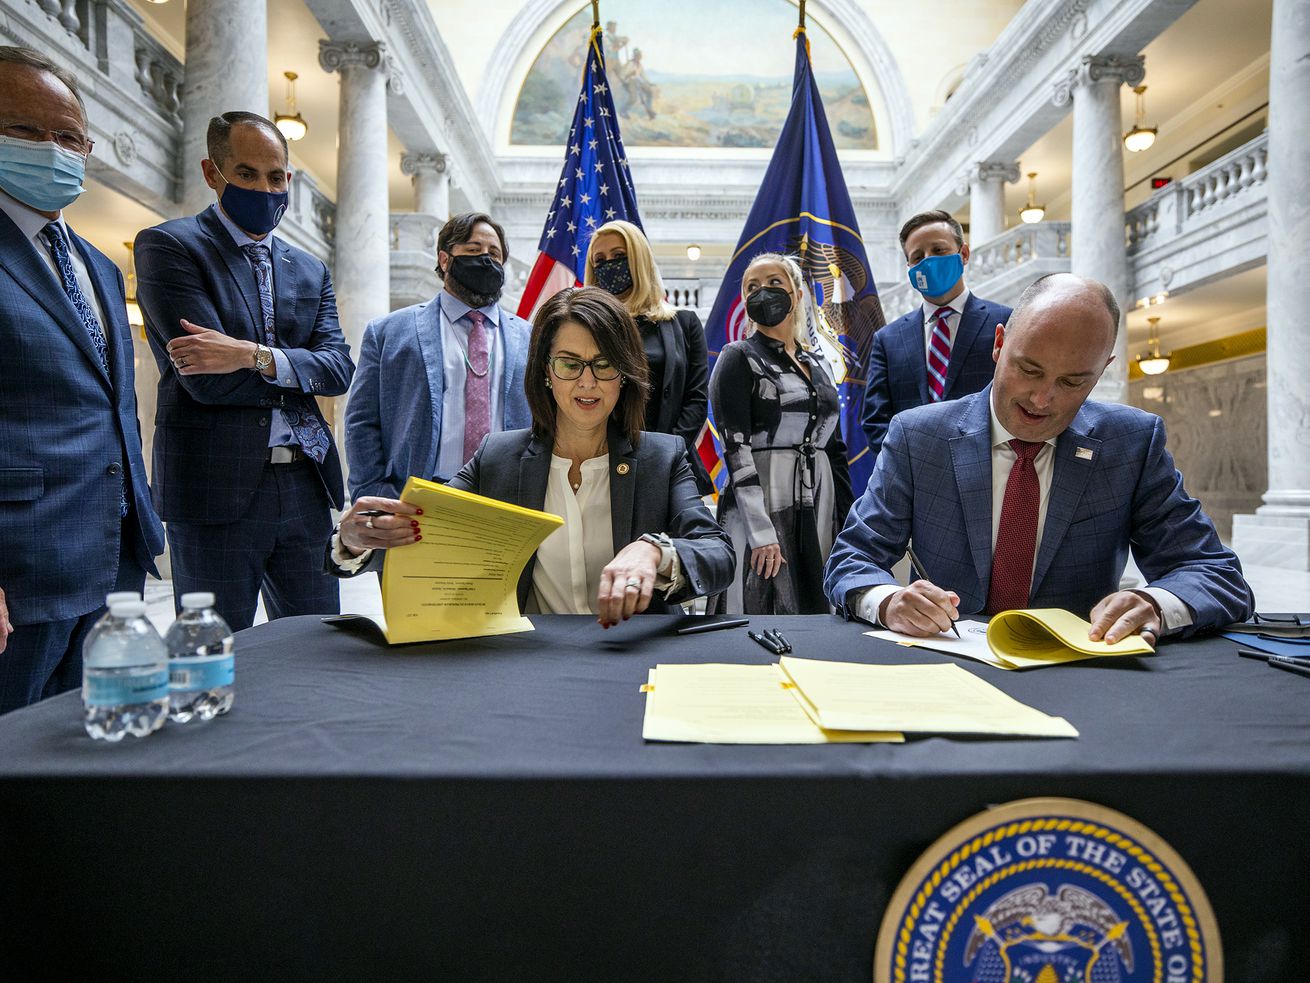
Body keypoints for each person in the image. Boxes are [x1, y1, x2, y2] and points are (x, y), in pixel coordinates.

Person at [826, 273, 1254, 643]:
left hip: (1079, 675)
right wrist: (888, 601)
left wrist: (1155, 604)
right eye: (1029, 370)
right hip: (949, 662)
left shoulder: (1132, 444)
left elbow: (1215, 574)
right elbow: (853, 559)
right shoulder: (919, 436)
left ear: (1101, 371)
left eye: (1073, 381)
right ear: (999, 344)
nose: (1042, 398)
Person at [329, 287, 734, 627]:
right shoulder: (497, 457)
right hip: (528, 662)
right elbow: (427, 533)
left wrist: (656, 551)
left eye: (604, 364)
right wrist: (354, 539)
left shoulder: (662, 458)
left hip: (632, 663)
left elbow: (718, 552)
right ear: (545, 371)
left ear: (625, 373)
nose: (587, 382)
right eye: (569, 364)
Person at [135, 111, 354, 632]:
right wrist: (296, 370)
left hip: (305, 482)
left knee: (315, 650)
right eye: (248, 174)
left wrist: (251, 354)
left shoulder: (309, 268)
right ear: (214, 174)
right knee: (216, 653)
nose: (265, 188)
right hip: (214, 490)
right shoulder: (169, 247)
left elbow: (339, 369)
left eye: (276, 176)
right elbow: (207, 380)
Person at [0, 46, 164, 712]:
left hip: (112, 561)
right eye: (26, 131)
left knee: (80, 758)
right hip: (22, 570)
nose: (53, 150)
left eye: (68, 136)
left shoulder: (97, 263)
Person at [345, 212, 532, 499]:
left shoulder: (532, 338)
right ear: (445, 260)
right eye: (473, 250)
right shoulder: (387, 332)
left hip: (508, 498)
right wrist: (372, 492)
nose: (485, 259)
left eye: (494, 254)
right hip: (415, 498)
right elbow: (362, 421)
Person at [709, 253, 853, 614]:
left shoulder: (819, 363)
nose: (763, 292)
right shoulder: (737, 356)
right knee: (762, 602)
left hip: (819, 501)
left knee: (816, 603)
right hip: (762, 503)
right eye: (752, 287)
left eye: (774, 283)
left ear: (797, 293)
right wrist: (760, 533)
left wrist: (848, 521)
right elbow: (736, 450)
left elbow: (834, 447)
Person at [861, 209, 1011, 467]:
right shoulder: (888, 339)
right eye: (917, 257)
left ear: (963, 254)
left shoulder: (1006, 322)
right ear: (909, 268)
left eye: (938, 250)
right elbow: (875, 420)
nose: (927, 261)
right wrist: (913, 461)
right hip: (915, 477)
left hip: (989, 468)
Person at [585, 219, 713, 494]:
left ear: (639, 260)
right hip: (600, 462)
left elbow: (696, 399)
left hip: (670, 464)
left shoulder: (685, 323)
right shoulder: (586, 328)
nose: (609, 264)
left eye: (619, 256)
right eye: (600, 259)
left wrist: (664, 453)